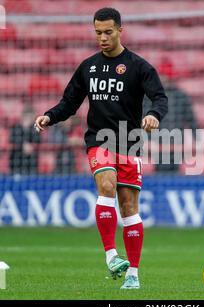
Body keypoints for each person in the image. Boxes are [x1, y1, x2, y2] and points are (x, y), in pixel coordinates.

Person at [34, 8, 168, 289]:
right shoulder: (88, 67)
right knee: (106, 184)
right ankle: (110, 256)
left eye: (108, 32)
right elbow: (69, 103)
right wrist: (50, 116)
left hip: (129, 144)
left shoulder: (139, 66)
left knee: (129, 208)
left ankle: (133, 274)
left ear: (121, 30)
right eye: (98, 33)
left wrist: (154, 114)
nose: (103, 38)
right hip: (100, 140)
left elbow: (160, 97)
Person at [10, 106, 41, 175]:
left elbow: (38, 140)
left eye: (31, 117)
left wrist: (27, 129)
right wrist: (22, 145)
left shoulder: (35, 129)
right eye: (27, 117)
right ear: (23, 117)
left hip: (31, 165)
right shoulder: (16, 127)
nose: (29, 119)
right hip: (17, 165)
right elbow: (12, 139)